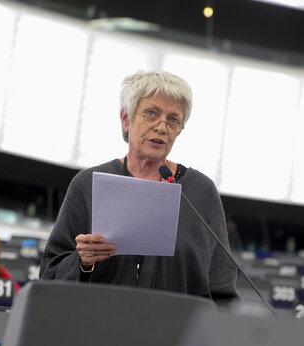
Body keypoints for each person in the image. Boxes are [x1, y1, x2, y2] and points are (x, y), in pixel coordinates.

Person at [40, 70, 238, 303]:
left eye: (173, 119)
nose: (162, 127)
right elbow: (49, 275)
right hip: (98, 330)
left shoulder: (200, 192)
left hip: (176, 334)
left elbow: (222, 287)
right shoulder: (88, 183)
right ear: (126, 119)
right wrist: (81, 262)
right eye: (151, 114)